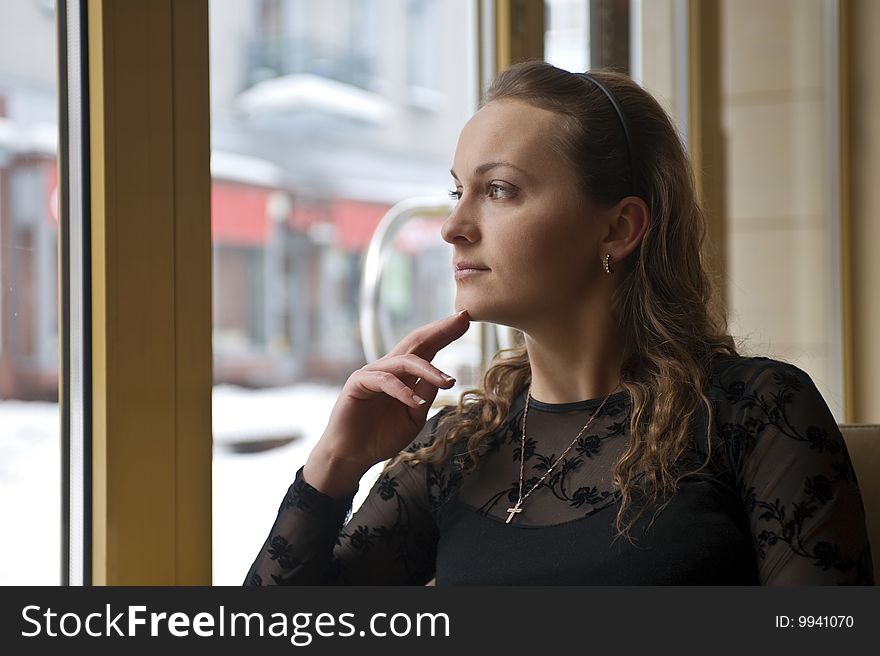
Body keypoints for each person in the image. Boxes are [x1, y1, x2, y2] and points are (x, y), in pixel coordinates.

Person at [243, 60, 874, 585]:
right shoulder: (460, 446)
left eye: (499, 191)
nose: (452, 227)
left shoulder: (755, 412)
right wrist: (337, 461)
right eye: (457, 190)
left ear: (618, 227)